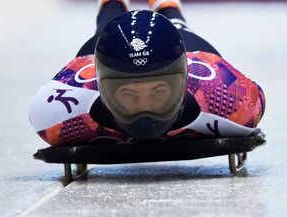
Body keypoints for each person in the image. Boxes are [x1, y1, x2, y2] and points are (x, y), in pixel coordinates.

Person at [29, 0, 265, 146]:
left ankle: (166, 6)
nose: (145, 112)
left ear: (183, 82)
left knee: (174, 26)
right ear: (101, 87)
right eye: (129, 95)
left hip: (194, 67)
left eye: (158, 92)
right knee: (105, 32)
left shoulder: (56, 119)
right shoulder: (235, 106)